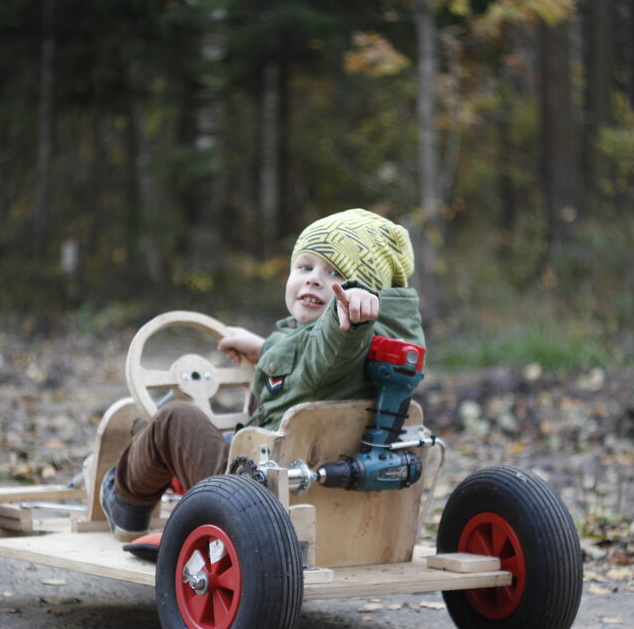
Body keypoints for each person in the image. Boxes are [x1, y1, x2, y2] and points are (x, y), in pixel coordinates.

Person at [100, 208, 425, 541]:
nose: (314, 278)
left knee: (172, 420)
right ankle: (154, 472)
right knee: (227, 416)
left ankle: (126, 502)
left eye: (336, 274)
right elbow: (308, 371)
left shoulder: (346, 334)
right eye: (305, 267)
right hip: (312, 484)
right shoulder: (381, 347)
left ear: (366, 296)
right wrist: (264, 349)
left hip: (252, 491)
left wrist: (351, 317)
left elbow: (330, 353)